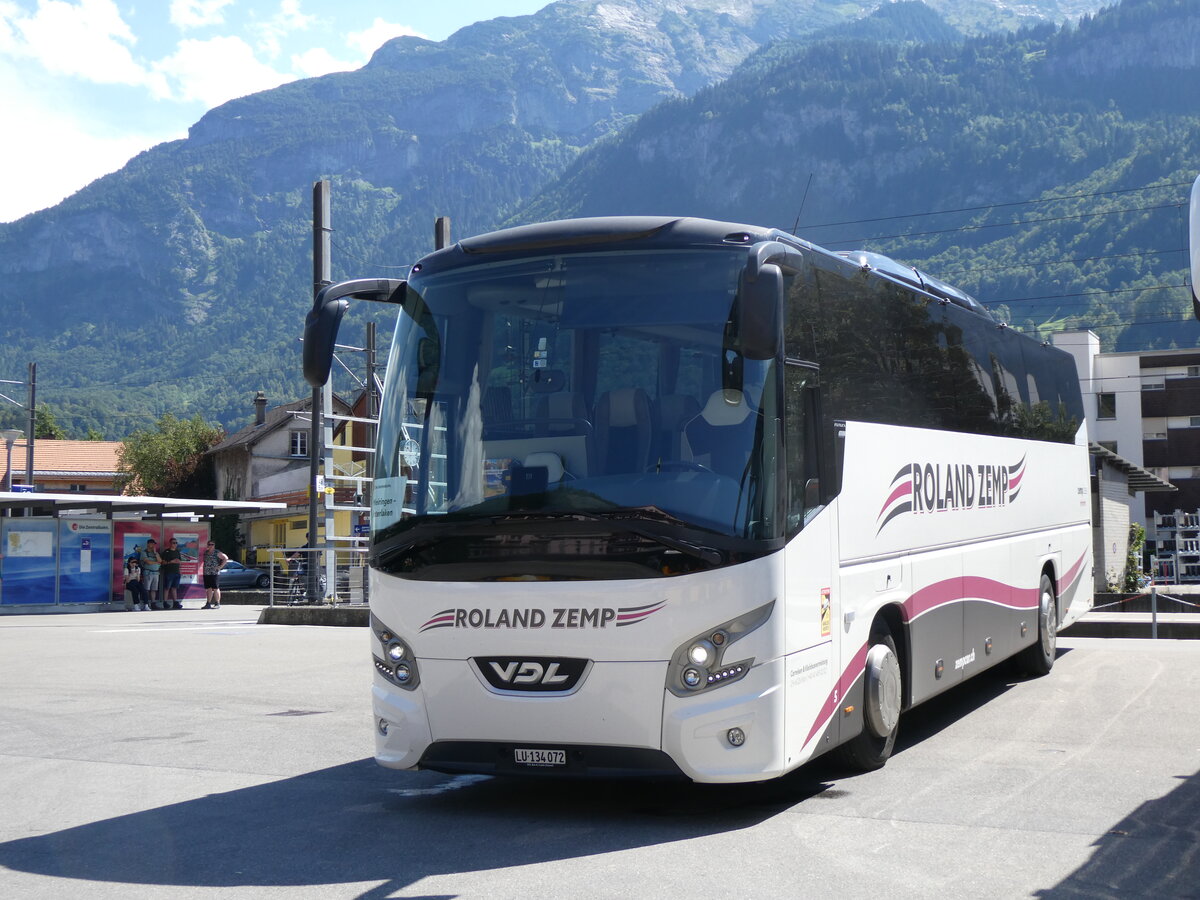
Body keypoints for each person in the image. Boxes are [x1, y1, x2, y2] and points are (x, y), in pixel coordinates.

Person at [159, 537, 194, 610]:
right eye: (173, 543)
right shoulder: (166, 552)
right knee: (167, 588)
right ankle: (165, 602)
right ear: (170, 543)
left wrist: (178, 563)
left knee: (174, 588)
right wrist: (171, 561)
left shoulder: (177, 551)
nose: (175, 544)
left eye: (176, 543)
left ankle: (175, 602)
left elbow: (179, 561)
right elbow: (162, 562)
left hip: (177, 572)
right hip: (169, 572)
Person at [201, 540, 229, 609]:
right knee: (208, 588)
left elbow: (225, 558)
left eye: (212, 544)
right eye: (209, 544)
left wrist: (220, 567)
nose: (210, 546)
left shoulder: (217, 552)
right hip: (206, 573)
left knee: (215, 588)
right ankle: (208, 603)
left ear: (214, 545)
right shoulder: (206, 553)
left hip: (214, 573)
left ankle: (217, 603)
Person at [139, 539, 162, 609]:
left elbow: (160, 561)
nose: (153, 545)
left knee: (154, 589)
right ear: (148, 544)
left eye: (154, 544)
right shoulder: (144, 552)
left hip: (156, 573)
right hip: (148, 572)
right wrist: (156, 562)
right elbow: (148, 562)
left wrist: (155, 554)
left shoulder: (155, 553)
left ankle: (153, 603)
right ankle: (146, 603)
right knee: (146, 589)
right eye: (152, 544)